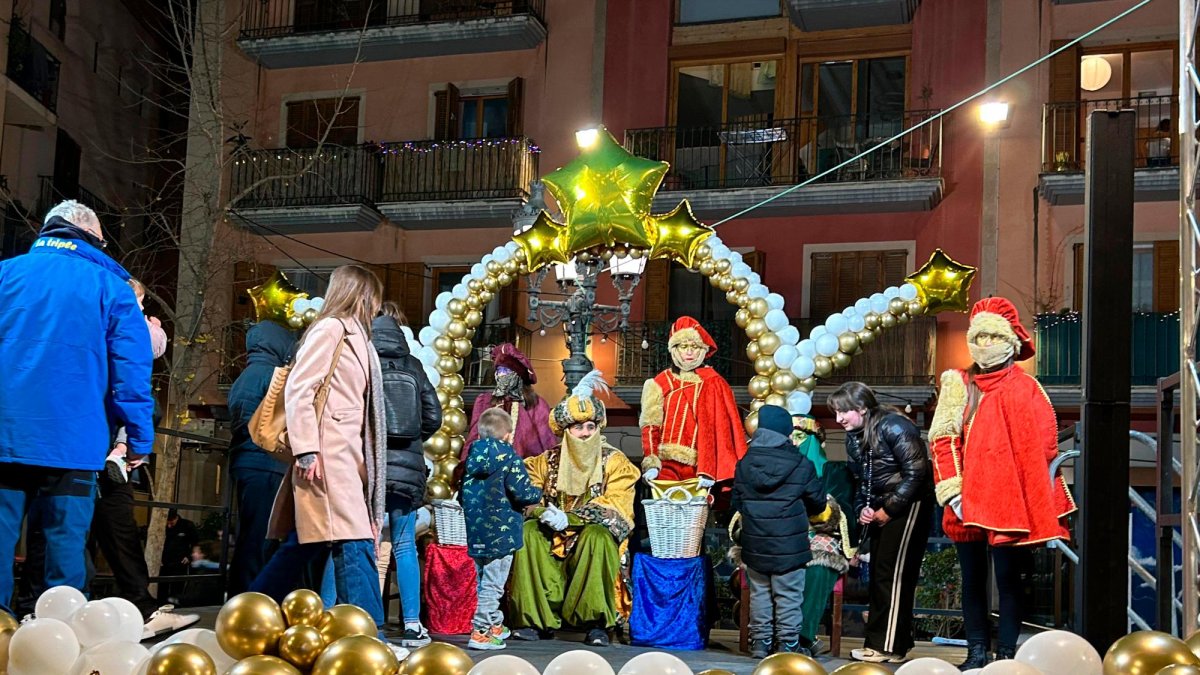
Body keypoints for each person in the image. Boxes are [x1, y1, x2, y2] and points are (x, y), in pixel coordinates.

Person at [0, 200, 155, 611]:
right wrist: (138, 437)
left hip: (6, 434)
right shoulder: (111, 288)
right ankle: (60, 641)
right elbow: (131, 371)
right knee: (63, 551)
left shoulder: (5, 275)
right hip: (74, 440)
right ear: (92, 239)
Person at [251, 265, 402, 658]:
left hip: (344, 456)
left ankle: (252, 610)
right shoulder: (332, 328)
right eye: (372, 297)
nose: (375, 305)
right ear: (360, 294)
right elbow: (300, 389)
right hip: (326, 454)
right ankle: (371, 639)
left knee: (304, 543)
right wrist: (306, 448)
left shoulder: (355, 336)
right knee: (353, 545)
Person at [928, 297, 1075, 669]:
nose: (986, 343)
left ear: (1011, 341)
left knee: (1010, 580)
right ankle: (976, 653)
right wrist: (953, 491)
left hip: (1010, 501)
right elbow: (943, 438)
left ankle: (1007, 655)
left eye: (994, 335)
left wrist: (1039, 498)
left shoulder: (1027, 387)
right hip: (967, 501)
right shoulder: (958, 382)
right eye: (980, 335)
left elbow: (1043, 447)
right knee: (973, 580)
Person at [509, 370, 639, 647]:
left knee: (598, 537)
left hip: (590, 532)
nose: (584, 433)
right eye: (578, 428)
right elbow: (526, 491)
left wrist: (568, 518)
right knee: (529, 534)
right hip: (551, 531)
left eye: (590, 427)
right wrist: (541, 511)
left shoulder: (615, 462)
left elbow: (617, 506)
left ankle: (595, 624)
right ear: (566, 431)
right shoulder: (547, 460)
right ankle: (534, 620)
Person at [828, 381, 933, 664]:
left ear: (861, 408)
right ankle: (891, 644)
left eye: (843, 412)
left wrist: (888, 509)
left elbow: (917, 473)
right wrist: (864, 508)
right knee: (880, 574)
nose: (838, 419)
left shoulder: (895, 425)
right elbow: (862, 481)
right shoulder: (856, 435)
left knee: (893, 575)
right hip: (883, 506)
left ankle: (887, 647)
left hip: (910, 505)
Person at [732, 405, 829, 659]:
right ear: (786, 431)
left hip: (755, 543)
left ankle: (760, 643)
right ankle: (787, 645)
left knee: (760, 594)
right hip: (790, 546)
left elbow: (737, 503)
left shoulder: (744, 463)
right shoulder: (800, 462)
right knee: (788, 595)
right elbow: (818, 503)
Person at [372, 301, 441, 647]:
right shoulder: (413, 365)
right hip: (410, 468)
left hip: (371, 467)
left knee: (367, 546)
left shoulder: (364, 360)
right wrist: (412, 440)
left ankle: (369, 622)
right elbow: (434, 416)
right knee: (404, 546)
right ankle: (412, 624)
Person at [461, 408, 542, 650]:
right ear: (508, 435)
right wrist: (538, 494)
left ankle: (495, 623)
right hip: (502, 533)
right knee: (494, 584)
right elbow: (523, 492)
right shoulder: (510, 458)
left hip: (476, 532)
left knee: (482, 580)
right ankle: (481, 631)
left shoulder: (472, 459)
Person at [226, 319, 297, 595]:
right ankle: (249, 598)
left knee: (254, 535)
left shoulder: (250, 374)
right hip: (263, 464)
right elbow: (253, 420)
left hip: (249, 462)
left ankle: (248, 596)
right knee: (258, 538)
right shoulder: (268, 375)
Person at [639, 316, 746, 492]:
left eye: (694, 347)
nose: (689, 352)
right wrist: (651, 462)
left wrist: (710, 469)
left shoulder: (713, 382)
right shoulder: (659, 383)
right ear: (674, 349)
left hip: (699, 468)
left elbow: (720, 430)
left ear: (703, 350)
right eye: (683, 347)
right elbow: (650, 426)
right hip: (666, 465)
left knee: (697, 518)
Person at [462, 343, 557, 460]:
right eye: (498, 370)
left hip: (525, 470)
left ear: (518, 375)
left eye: (506, 370)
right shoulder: (485, 402)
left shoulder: (537, 404)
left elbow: (547, 441)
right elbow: (473, 438)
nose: (501, 374)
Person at [161, 509, 199, 603]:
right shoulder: (162, 525)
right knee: (162, 589)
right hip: (164, 563)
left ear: (176, 518)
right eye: (168, 523)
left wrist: (189, 556)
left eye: (171, 523)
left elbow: (196, 543)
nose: (169, 525)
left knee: (177, 589)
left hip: (180, 562)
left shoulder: (187, 525)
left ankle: (175, 607)